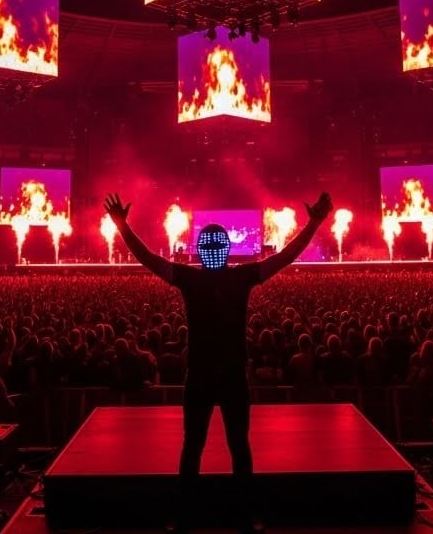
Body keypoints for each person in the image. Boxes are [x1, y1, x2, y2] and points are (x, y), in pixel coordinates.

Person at [104, 192, 333, 533]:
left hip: (199, 375)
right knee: (238, 446)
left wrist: (122, 226)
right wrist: (313, 224)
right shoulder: (240, 278)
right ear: (227, 248)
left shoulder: (191, 279)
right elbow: (284, 257)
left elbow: (148, 259)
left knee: (193, 447)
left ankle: (185, 517)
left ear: (199, 249)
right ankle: (245, 517)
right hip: (231, 377)